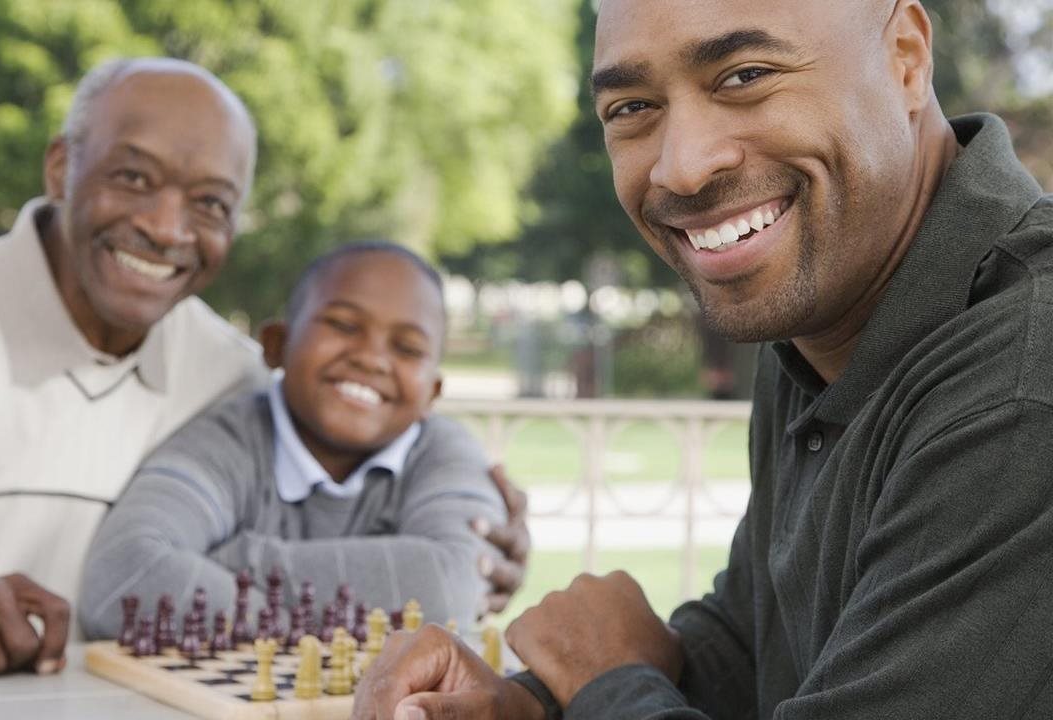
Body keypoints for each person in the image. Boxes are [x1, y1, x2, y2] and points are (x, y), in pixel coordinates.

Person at [351, 0, 1053, 718]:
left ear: (905, 56)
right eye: (631, 108)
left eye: (745, 75)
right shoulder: (832, 308)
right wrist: (534, 704)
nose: (682, 168)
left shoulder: (1024, 384)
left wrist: (605, 682)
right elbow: (762, 647)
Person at [0, 57, 531, 678]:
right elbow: (134, 578)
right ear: (63, 167)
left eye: (210, 203)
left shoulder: (231, 378)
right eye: (133, 177)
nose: (167, 228)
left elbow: (414, 559)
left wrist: (473, 558)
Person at [80, 242, 506, 637]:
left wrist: (228, 564)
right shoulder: (228, 440)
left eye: (408, 349)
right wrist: (319, 632)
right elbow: (121, 576)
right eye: (342, 325)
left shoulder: (446, 452)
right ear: (276, 345)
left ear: (433, 391)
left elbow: (452, 587)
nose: (372, 358)